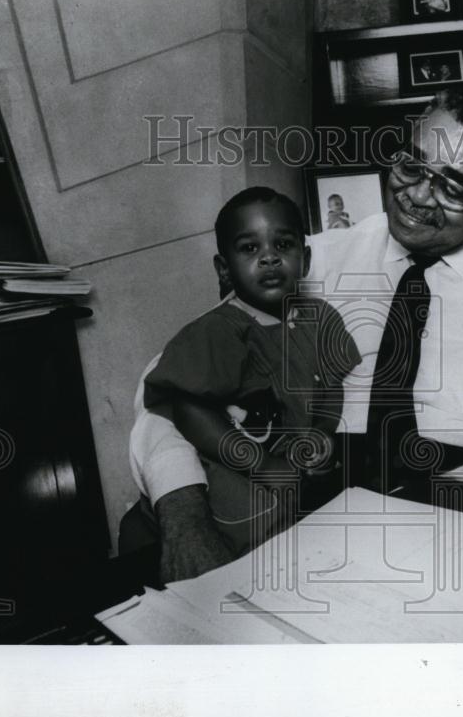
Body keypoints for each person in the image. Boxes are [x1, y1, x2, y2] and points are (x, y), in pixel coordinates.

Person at [137, 89, 463, 582]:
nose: (418, 196)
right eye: (411, 167)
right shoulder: (308, 260)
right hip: (306, 510)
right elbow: (166, 389)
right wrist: (183, 509)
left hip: (458, 513)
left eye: (454, 188)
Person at [141, 186, 360, 569]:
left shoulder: (321, 318)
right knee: (242, 565)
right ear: (224, 268)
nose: (270, 257)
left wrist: (322, 432)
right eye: (249, 249)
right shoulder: (219, 331)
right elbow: (188, 408)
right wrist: (261, 465)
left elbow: (331, 387)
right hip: (238, 480)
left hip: (295, 482)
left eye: (284, 244)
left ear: (304, 259)